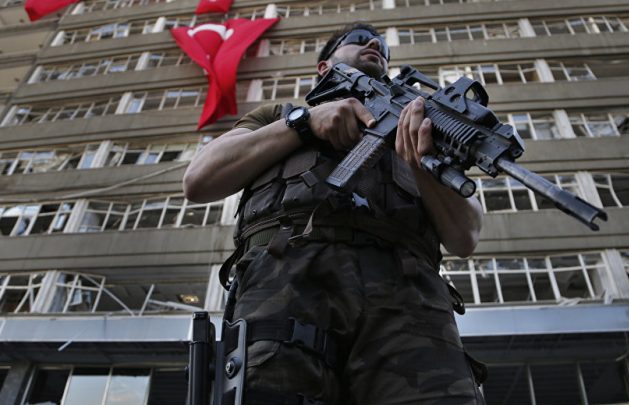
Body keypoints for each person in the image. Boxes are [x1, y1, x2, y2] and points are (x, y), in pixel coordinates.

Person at [183, 23, 486, 405]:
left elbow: (466, 236)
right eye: (358, 40)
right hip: (287, 277)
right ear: (324, 67)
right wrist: (303, 124)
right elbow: (199, 179)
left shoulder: (419, 129)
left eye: (382, 47)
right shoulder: (278, 116)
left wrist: (422, 162)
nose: (374, 44)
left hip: (407, 295)